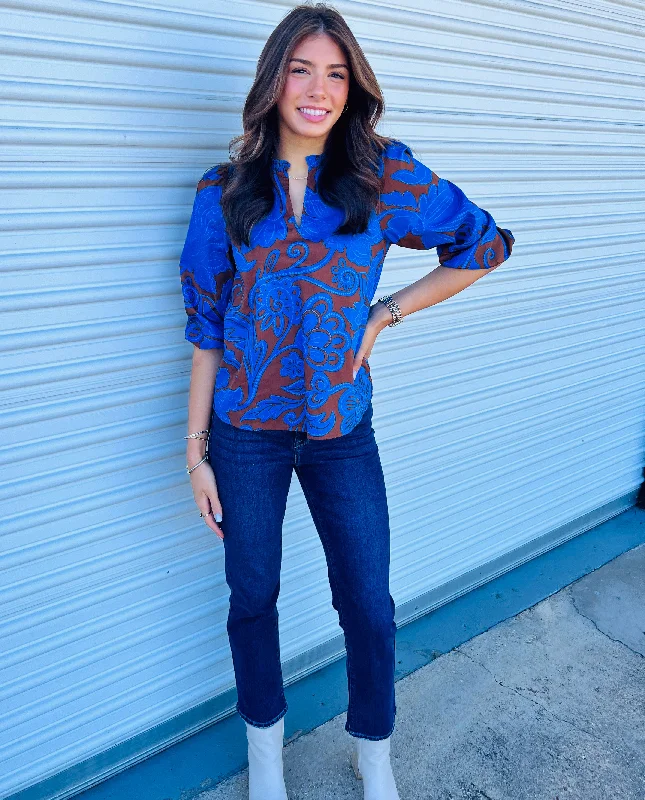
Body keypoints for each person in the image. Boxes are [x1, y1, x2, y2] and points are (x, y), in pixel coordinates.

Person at [179, 3, 514, 799]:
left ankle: (373, 755)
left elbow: (483, 243)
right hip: (243, 434)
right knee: (251, 595)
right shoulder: (224, 190)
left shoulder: (381, 175)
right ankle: (266, 761)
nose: (317, 88)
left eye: (335, 73)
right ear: (272, 81)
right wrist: (193, 449)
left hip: (340, 430)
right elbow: (205, 322)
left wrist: (386, 311)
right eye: (301, 69)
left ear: (352, 88)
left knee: (366, 602)